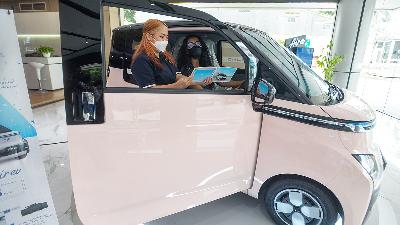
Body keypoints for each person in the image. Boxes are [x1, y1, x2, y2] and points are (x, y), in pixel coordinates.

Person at [131, 19, 192, 89]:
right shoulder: (141, 60)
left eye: (166, 37)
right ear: (149, 37)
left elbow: (177, 76)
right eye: (161, 37)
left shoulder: (165, 57)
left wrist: (196, 81)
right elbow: (149, 90)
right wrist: (176, 86)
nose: (165, 41)